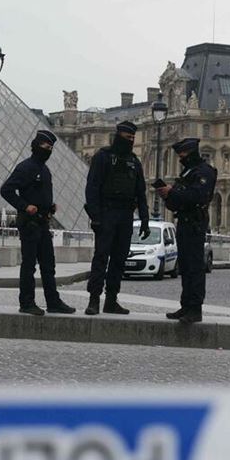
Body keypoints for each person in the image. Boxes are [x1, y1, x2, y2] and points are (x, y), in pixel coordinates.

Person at [0, 130, 76, 315]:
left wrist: (50, 207)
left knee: (48, 265)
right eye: (45, 146)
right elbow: (6, 190)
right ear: (36, 145)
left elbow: (40, 194)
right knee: (29, 265)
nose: (48, 150)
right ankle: (26, 303)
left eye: (50, 148)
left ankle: (53, 302)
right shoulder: (25, 167)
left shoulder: (44, 169)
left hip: (43, 222)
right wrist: (25, 206)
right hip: (30, 223)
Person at [83, 120, 150, 315]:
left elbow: (141, 192)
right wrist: (95, 216)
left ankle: (111, 299)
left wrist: (145, 220)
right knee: (101, 258)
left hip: (126, 215)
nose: (130, 141)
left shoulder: (134, 162)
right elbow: (92, 188)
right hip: (107, 213)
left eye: (132, 138)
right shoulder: (102, 157)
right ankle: (94, 299)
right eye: (127, 137)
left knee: (119, 260)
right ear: (118, 135)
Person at [157, 138, 217, 323]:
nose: (181, 157)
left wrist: (172, 193)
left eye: (182, 154)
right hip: (183, 221)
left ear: (191, 152)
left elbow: (197, 196)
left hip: (195, 223)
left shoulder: (204, 172)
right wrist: (167, 196)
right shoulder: (187, 172)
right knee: (185, 265)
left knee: (195, 266)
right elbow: (177, 202)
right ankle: (186, 305)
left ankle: (195, 308)